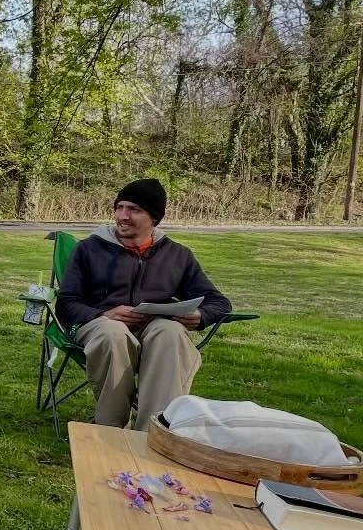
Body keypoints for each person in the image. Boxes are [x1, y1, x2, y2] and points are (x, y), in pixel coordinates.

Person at [54, 178, 231, 430]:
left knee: (170, 332)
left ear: (154, 218)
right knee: (112, 333)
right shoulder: (88, 249)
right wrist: (105, 313)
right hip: (99, 325)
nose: (123, 216)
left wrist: (201, 315)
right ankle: (111, 428)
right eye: (119, 207)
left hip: (153, 328)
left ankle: (154, 430)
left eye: (134, 209)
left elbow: (219, 302)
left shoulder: (177, 255)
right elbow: (66, 303)